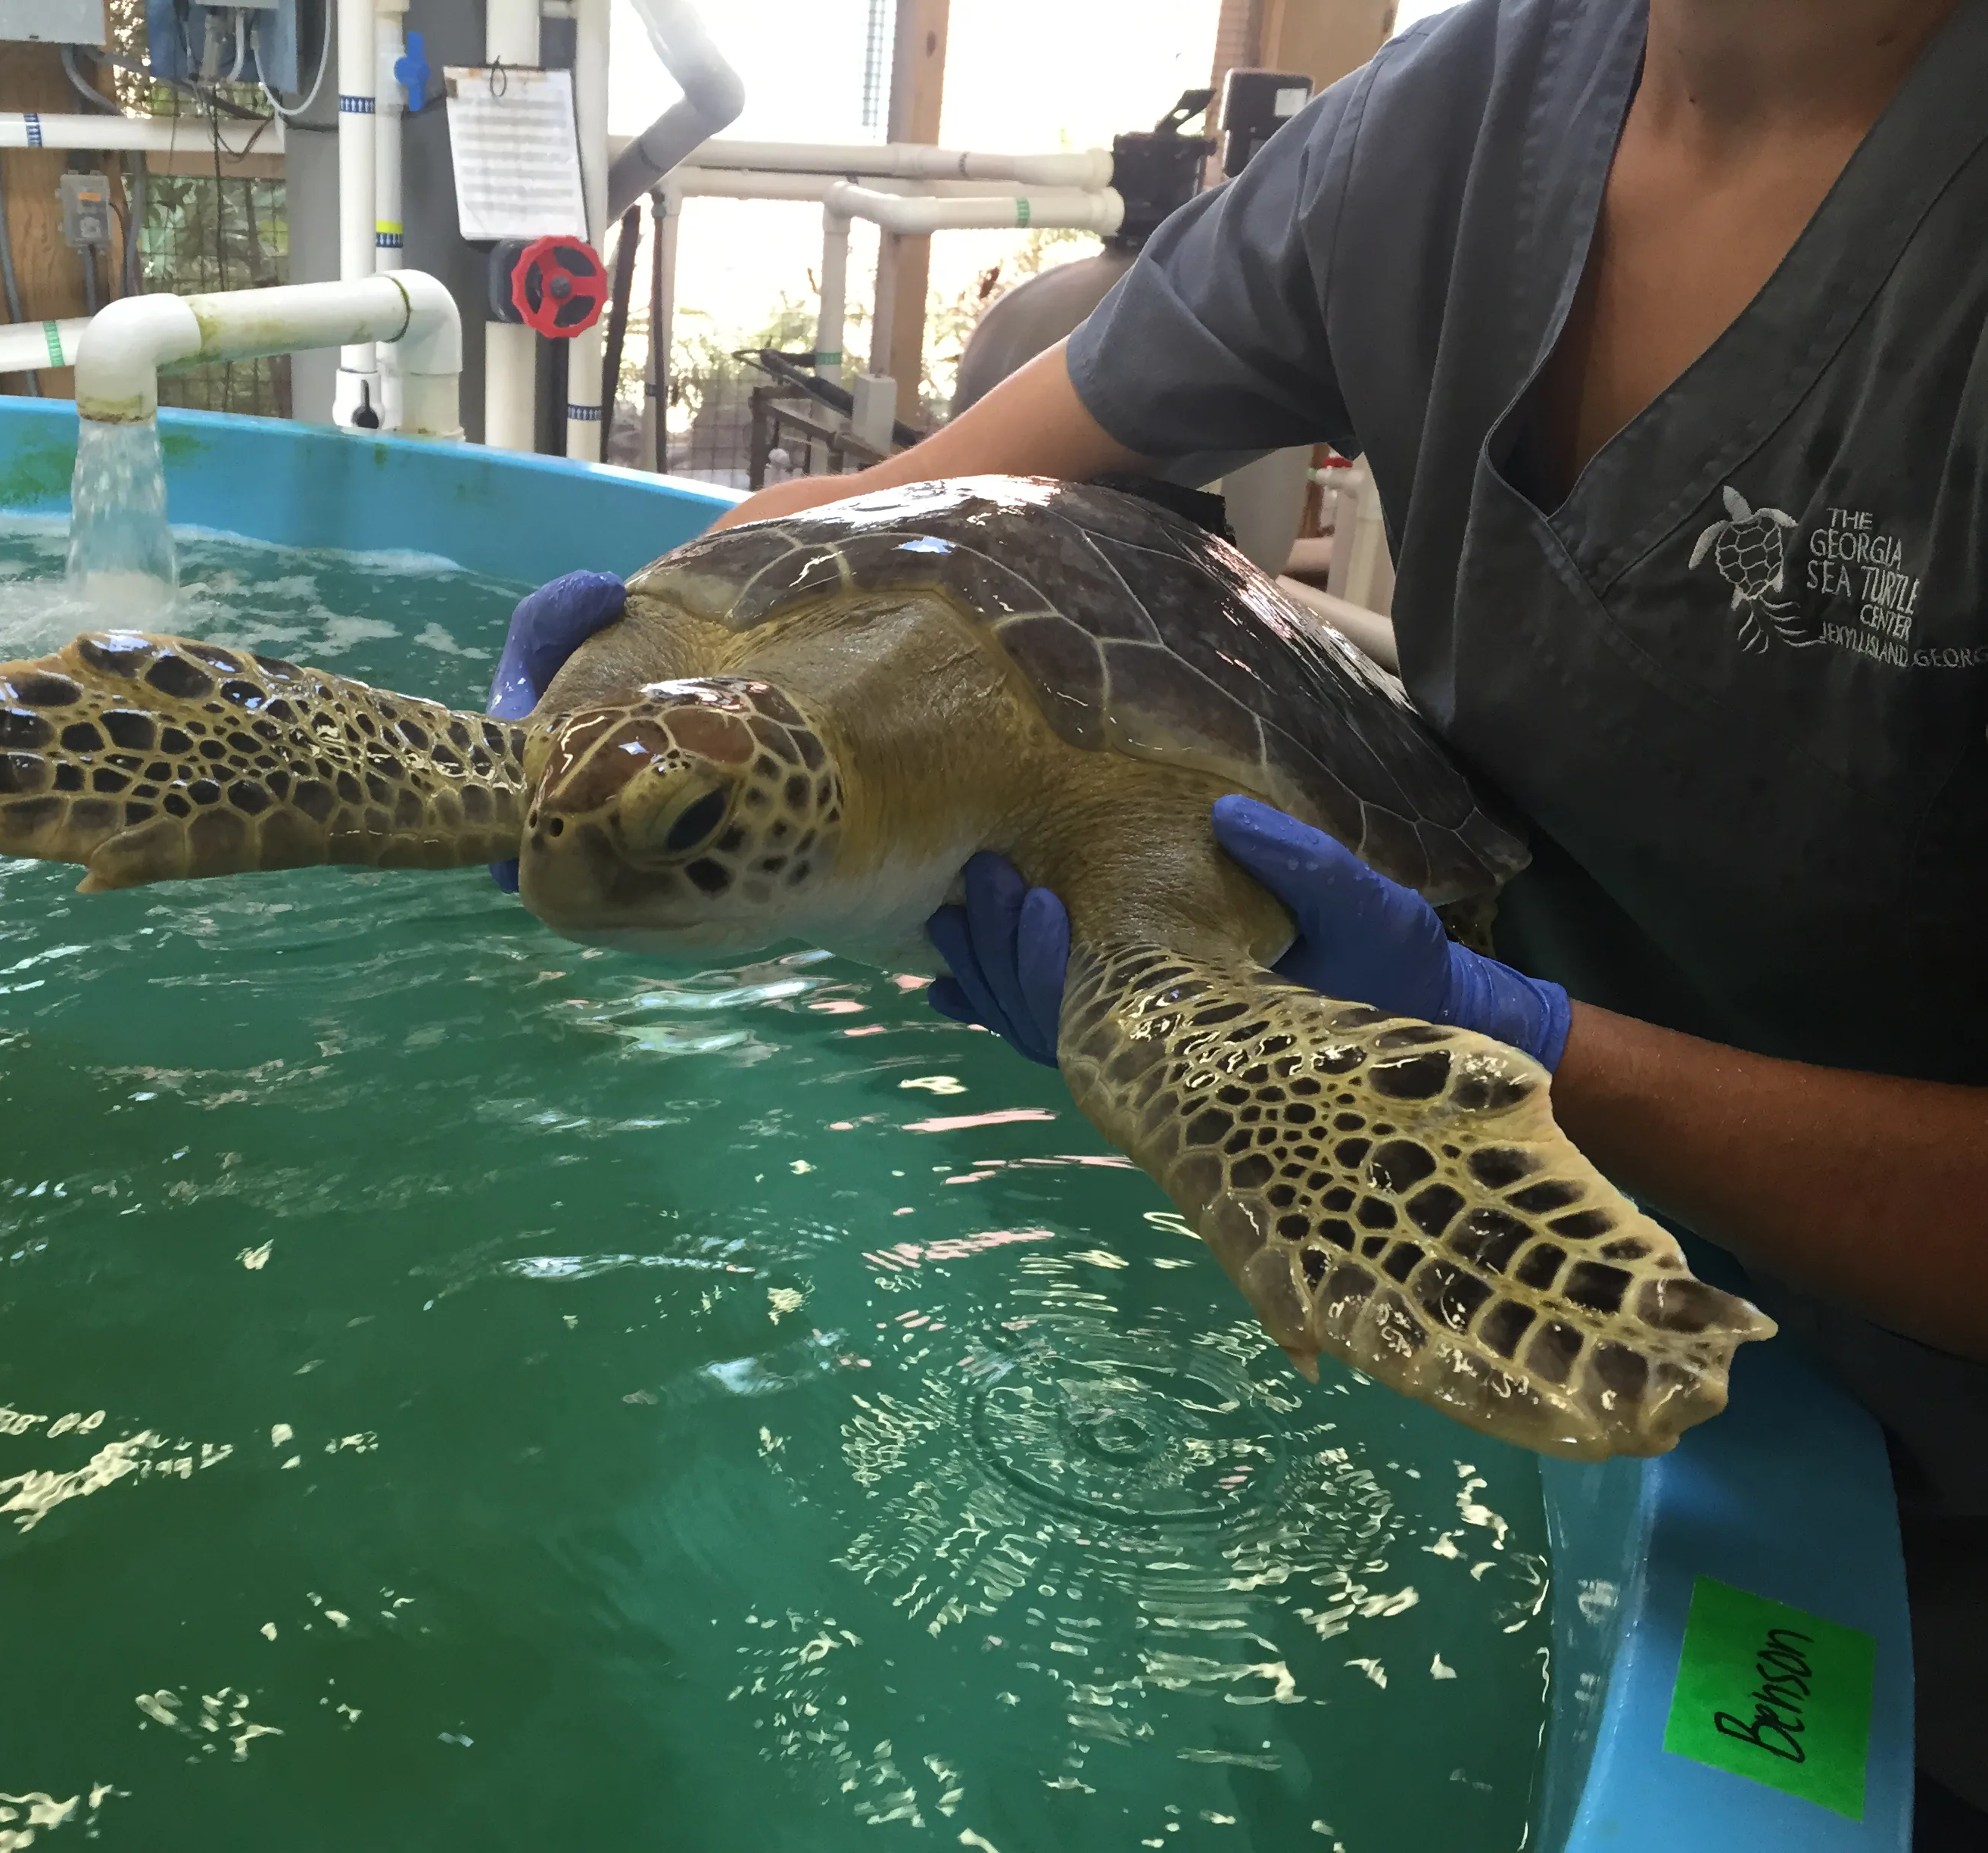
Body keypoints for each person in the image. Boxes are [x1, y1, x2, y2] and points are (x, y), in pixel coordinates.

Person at [492, 0, 1988, 1833]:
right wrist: (665, 635)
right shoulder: (1471, 115)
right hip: (1574, 1264)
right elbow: (942, 491)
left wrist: (1497, 1042)